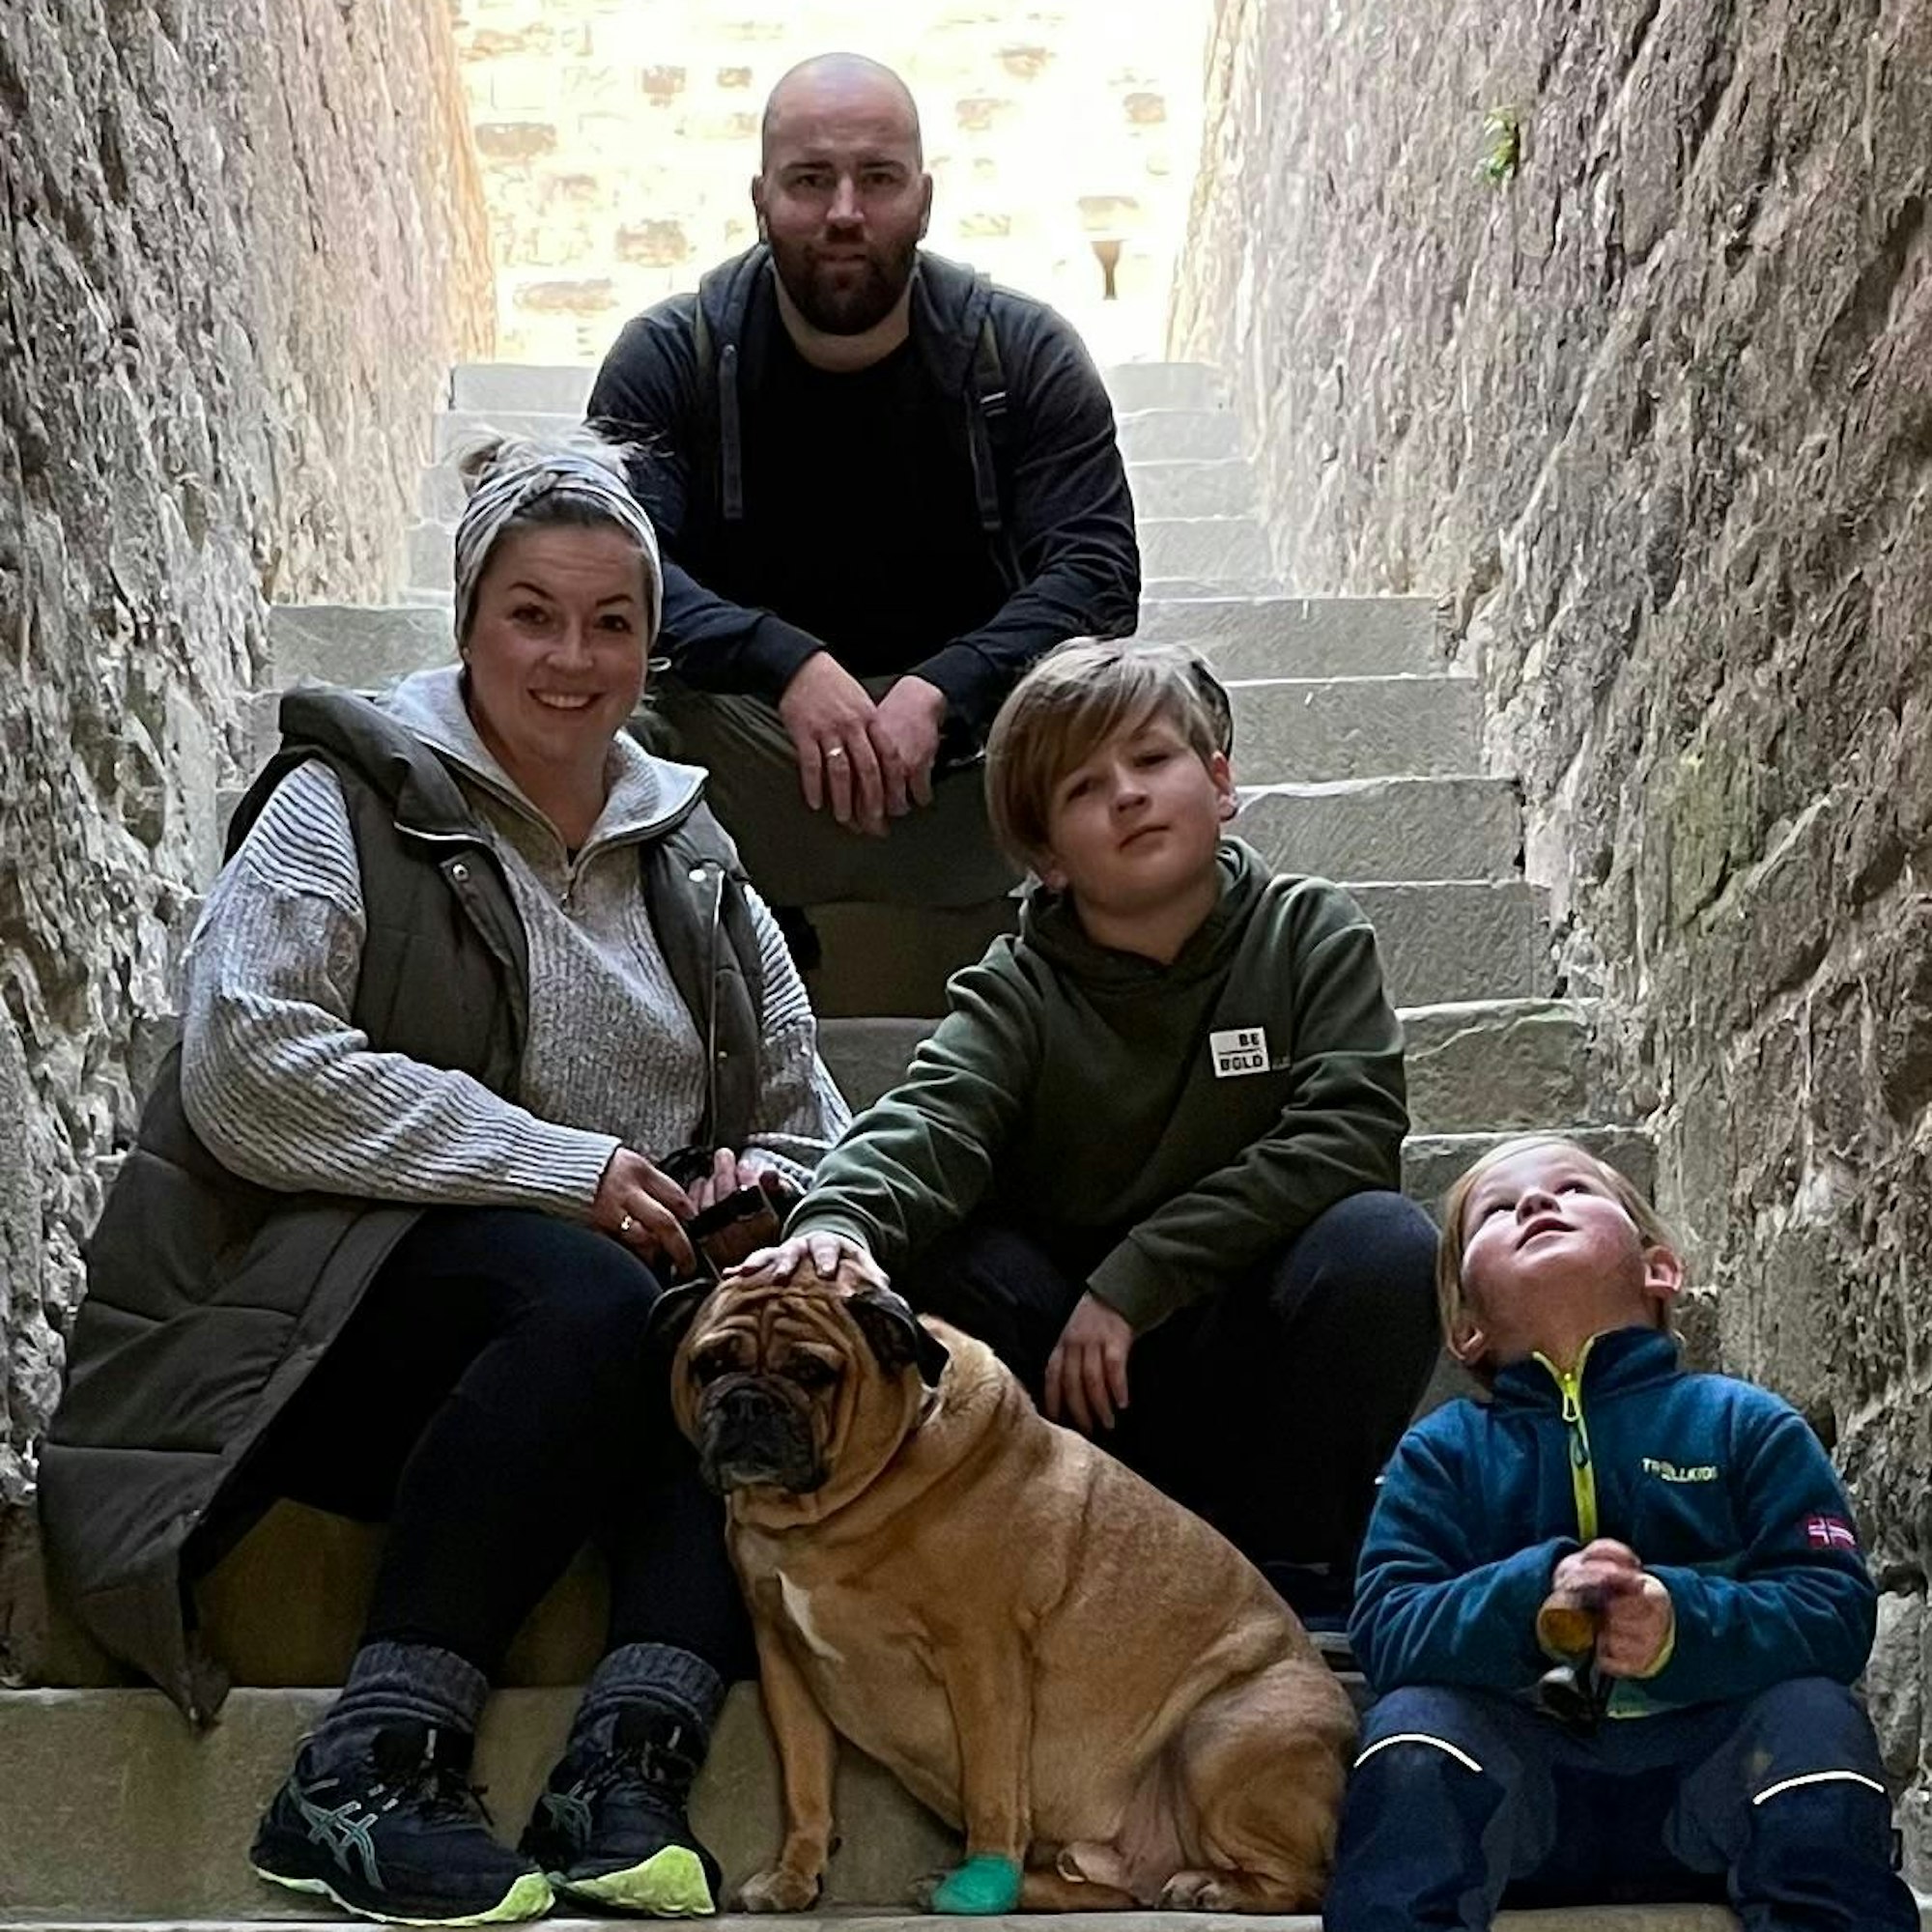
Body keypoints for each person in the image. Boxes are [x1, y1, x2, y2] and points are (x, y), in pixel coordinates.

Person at [38, 433, 850, 1926]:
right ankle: (363, 1769)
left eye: (613, 622)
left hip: (593, 1348)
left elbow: (812, 1110)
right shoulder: (343, 800)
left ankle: (627, 1768)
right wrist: (561, 1169)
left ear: (652, 644)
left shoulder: (694, 855)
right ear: (468, 623)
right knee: (595, 1286)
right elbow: (250, 1065)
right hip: (307, 1341)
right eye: (530, 613)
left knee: (721, 1328)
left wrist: (766, 1190)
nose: (571, 657)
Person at [756, 637, 1441, 1620]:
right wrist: (833, 1228)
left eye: (1153, 760)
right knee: (947, 1259)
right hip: (1082, 1390)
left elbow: (1349, 1132)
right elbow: (931, 1117)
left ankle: (1295, 1567)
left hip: (1249, 1353)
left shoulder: (1307, 932)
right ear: (1045, 855)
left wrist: (1137, 1275)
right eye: (1084, 786)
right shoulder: (1017, 990)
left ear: (1220, 781)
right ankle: (1052, 1556)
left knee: (1383, 1242)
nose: (1127, 794)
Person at [585, 51, 1140, 933]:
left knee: (1146, 716)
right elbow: (614, 572)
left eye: (876, 178)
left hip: (974, 763)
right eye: (811, 180)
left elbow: (1097, 574)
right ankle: (648, 980)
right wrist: (786, 664)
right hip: (748, 751)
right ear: (761, 198)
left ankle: (1092, 1010)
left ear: (923, 197)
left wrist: (943, 690)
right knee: (590, 692)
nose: (845, 213)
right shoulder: (669, 359)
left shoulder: (1024, 353)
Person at [1325, 1133, 1918, 1930]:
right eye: (1498, 1212)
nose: (1536, 1204)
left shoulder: (1744, 1425)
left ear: (1659, 1270)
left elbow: (1834, 1611)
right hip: (1519, 1791)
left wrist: (1681, 1620)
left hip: (1714, 1775)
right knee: (1414, 1727)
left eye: (1571, 1190)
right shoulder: (1442, 1455)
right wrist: (1533, 1600)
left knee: (1815, 1715)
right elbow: (1389, 1630)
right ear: (1466, 1329)